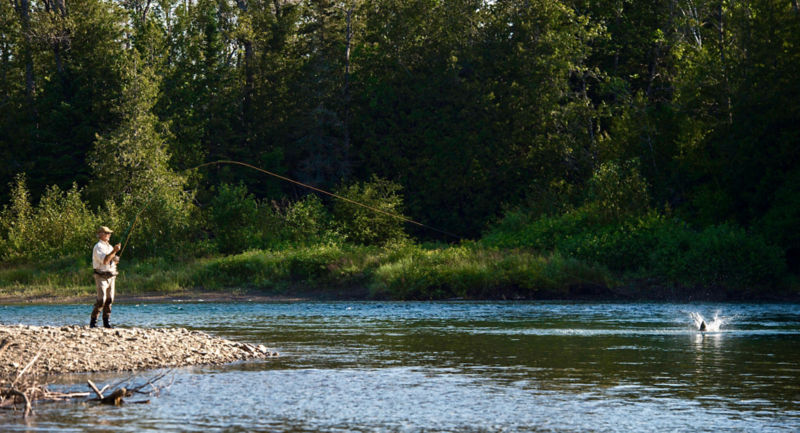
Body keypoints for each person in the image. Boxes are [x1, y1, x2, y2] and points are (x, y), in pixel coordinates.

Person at [91, 226, 121, 328]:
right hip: (101, 276)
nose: (109, 235)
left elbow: (111, 260)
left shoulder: (110, 246)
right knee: (101, 300)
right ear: (100, 234)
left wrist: (115, 259)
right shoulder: (98, 247)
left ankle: (106, 322)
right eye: (107, 233)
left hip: (111, 276)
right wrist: (114, 251)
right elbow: (105, 261)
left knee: (109, 299)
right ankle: (93, 322)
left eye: (109, 233)